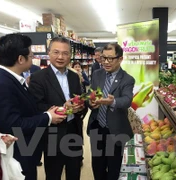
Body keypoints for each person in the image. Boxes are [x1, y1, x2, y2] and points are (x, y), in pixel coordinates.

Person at [0, 34, 67, 180]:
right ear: (20, 59)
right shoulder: (2, 85)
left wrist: (48, 112)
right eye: (31, 55)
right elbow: (14, 124)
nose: (33, 58)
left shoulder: (14, 80)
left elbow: (25, 110)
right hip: (19, 154)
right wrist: (48, 117)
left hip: (27, 152)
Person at [29, 37, 87, 180]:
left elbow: (81, 99)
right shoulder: (38, 77)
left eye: (65, 53)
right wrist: (63, 109)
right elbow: (37, 106)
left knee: (74, 173)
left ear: (70, 55)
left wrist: (80, 107)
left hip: (74, 131)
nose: (60, 57)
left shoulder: (74, 76)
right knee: (53, 174)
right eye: (56, 52)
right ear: (48, 53)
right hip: (52, 135)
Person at [87, 43, 135, 180]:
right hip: (97, 127)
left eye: (110, 59)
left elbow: (127, 100)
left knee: (113, 167)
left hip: (115, 130)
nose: (106, 62)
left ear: (120, 59)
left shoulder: (127, 79)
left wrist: (112, 102)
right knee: (97, 165)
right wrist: (90, 102)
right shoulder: (97, 74)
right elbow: (91, 94)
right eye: (103, 58)